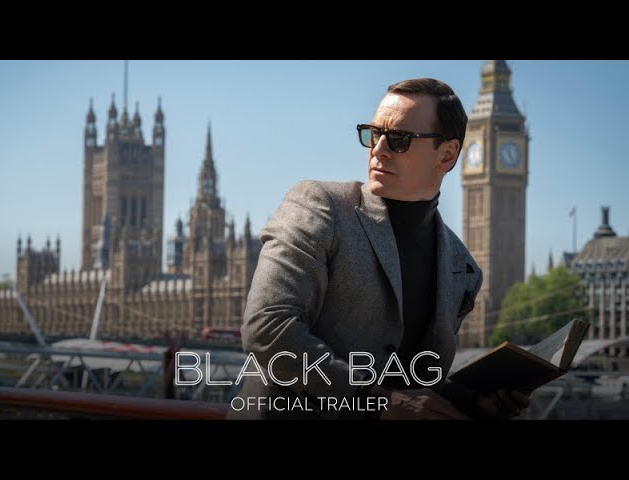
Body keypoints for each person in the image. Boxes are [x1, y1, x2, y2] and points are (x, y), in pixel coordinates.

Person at [227, 78, 529, 420]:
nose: (378, 149)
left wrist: (473, 401)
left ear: (446, 155)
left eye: (399, 139)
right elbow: (267, 330)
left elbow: (410, 377)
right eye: (373, 134)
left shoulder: (463, 268)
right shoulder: (320, 206)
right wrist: (375, 402)